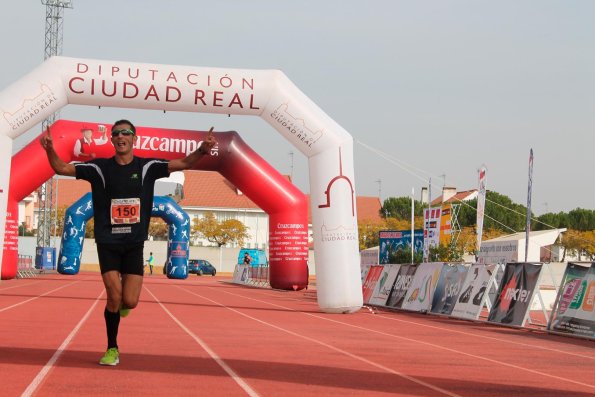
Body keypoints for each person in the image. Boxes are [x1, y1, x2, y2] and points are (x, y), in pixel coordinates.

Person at [41, 119, 216, 366]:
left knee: (129, 301)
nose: (121, 136)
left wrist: (202, 150)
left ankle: (122, 306)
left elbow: (184, 163)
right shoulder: (99, 168)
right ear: (112, 139)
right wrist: (49, 149)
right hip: (108, 241)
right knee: (114, 296)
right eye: (116, 133)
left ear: (135, 138)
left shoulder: (148, 167)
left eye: (126, 133)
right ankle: (112, 348)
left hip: (134, 243)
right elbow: (62, 169)